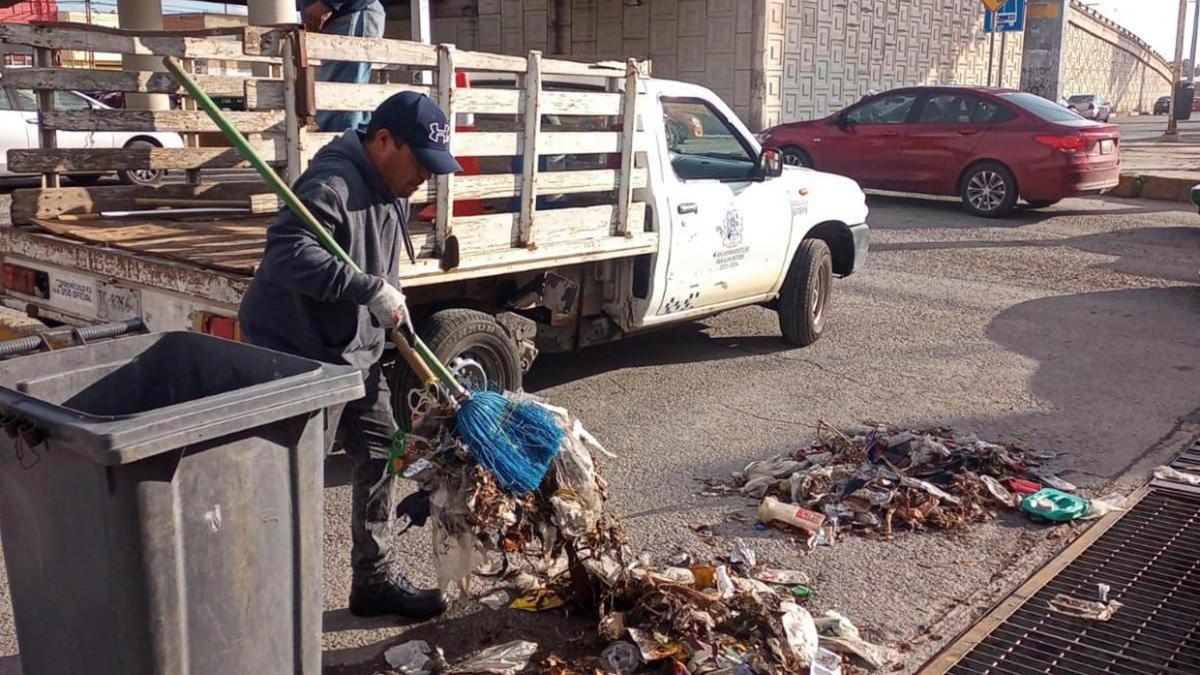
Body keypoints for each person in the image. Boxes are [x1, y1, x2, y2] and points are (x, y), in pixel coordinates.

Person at [239, 92, 462, 619]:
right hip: (297, 353)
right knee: (291, 480)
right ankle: (265, 604)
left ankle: (373, 580)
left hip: (352, 351)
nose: (424, 179)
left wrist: (388, 306)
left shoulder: (392, 183)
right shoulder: (333, 182)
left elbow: (381, 259)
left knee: (385, 452)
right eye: (420, 165)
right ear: (384, 141)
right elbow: (287, 254)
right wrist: (367, 289)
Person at [301, 0, 386, 133]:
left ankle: (342, 150)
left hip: (348, 13)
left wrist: (328, 3)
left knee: (340, 113)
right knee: (351, 110)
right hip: (343, 14)